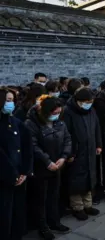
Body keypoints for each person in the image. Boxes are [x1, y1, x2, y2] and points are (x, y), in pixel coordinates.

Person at [26, 95, 72, 239]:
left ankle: (54, 221)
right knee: (41, 198)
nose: (57, 115)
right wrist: (47, 161)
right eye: (54, 113)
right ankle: (42, 225)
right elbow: (33, 145)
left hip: (57, 165)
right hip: (41, 167)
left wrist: (63, 157)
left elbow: (67, 139)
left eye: (59, 112)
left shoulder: (59, 123)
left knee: (54, 195)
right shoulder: (31, 123)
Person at [63, 88, 102, 221]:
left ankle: (88, 204)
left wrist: (98, 144)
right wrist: (70, 152)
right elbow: (66, 134)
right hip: (76, 151)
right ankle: (77, 207)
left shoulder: (91, 110)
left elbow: (96, 127)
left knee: (89, 177)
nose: (89, 104)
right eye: (87, 102)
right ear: (79, 101)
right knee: (76, 180)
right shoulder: (68, 112)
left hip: (90, 149)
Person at [0, 87, 33, 240]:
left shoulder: (16, 122)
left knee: (17, 212)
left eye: (12, 100)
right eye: (7, 101)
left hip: (19, 176)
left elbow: (27, 146)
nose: (11, 104)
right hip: (5, 178)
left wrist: (25, 171)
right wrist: (12, 174)